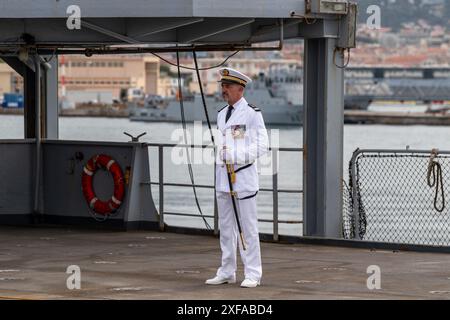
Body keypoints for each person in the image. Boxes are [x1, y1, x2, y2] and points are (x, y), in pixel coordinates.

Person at [205, 67, 269, 288]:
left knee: (248, 229)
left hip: (243, 179)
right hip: (223, 179)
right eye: (223, 86)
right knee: (226, 228)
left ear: (240, 89)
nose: (224, 90)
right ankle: (227, 270)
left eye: (228, 86)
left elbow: (262, 145)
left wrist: (235, 155)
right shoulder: (222, 114)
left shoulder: (252, 113)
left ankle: (253, 273)